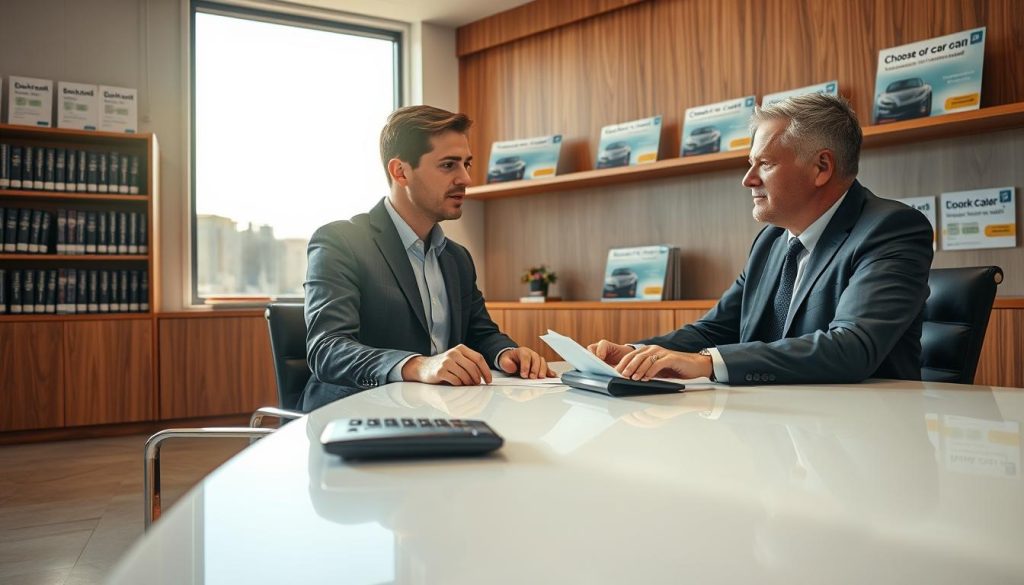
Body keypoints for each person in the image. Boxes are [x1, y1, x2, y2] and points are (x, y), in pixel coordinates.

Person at [588, 93, 933, 385]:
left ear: (821, 167)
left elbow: (852, 348)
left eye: (764, 163)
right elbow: (716, 329)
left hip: (867, 439)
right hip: (779, 431)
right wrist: (635, 354)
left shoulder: (891, 229)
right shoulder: (771, 240)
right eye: (750, 164)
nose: (747, 180)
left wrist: (708, 363)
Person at [301, 105, 552, 411]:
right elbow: (327, 349)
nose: (466, 179)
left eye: (467, 164)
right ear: (400, 171)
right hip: (355, 417)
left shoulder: (457, 258)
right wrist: (418, 365)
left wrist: (506, 353)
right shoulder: (340, 242)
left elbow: (480, 333)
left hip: (443, 413)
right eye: (448, 165)